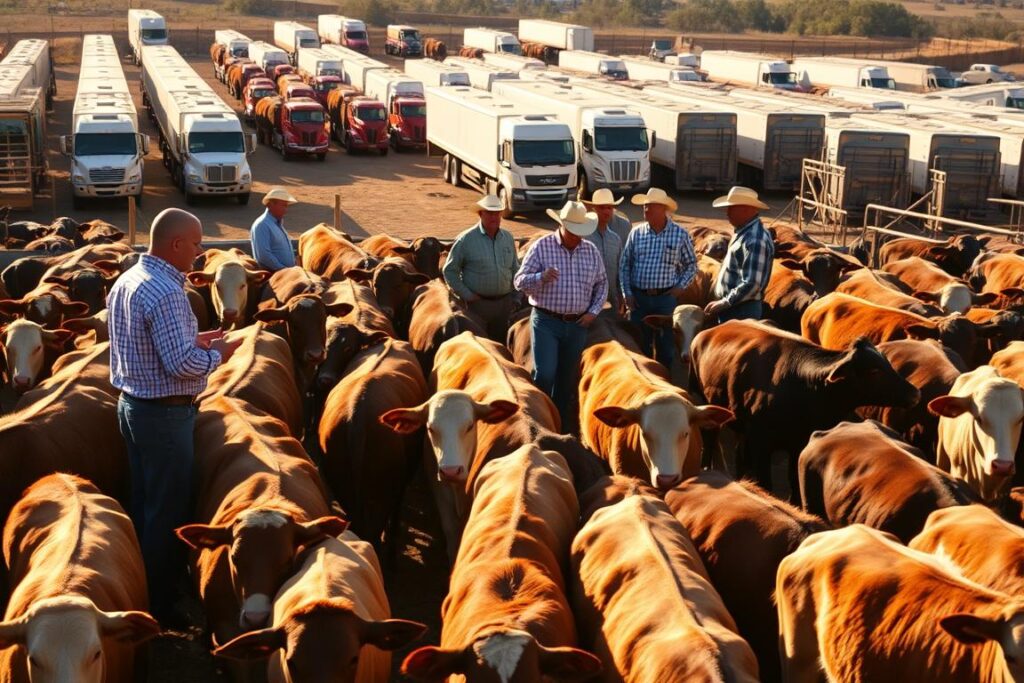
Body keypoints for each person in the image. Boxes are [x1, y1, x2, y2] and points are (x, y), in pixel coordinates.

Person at [107, 208, 242, 625]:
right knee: (168, 511)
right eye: (198, 244)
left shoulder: (129, 279)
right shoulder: (168, 293)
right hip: (165, 416)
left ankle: (141, 585)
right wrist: (216, 354)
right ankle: (160, 606)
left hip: (132, 405)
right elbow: (180, 365)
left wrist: (194, 338)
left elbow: (145, 342)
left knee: (145, 502)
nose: (201, 253)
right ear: (176, 245)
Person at [514, 201, 607, 425]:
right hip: (547, 320)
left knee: (566, 378)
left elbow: (602, 284)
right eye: (573, 232)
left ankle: (561, 421)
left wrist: (593, 312)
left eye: (580, 232)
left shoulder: (591, 251)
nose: (576, 237)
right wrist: (540, 277)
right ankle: (540, 420)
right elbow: (519, 281)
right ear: (562, 226)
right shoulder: (542, 246)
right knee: (545, 373)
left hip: (577, 324)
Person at [620, 187, 697, 366]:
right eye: (645, 206)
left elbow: (691, 264)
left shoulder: (680, 234)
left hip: (665, 298)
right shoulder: (636, 234)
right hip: (638, 299)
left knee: (666, 348)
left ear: (663, 209)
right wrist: (627, 294)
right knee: (640, 346)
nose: (645, 209)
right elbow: (625, 266)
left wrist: (680, 287)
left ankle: (666, 382)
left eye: (650, 206)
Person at [443, 194, 520, 341]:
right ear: (480, 214)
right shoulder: (466, 239)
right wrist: (467, 295)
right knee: (480, 345)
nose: (494, 217)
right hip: (478, 306)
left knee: (501, 345)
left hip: (504, 304)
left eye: (497, 213)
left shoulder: (508, 238)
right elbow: (450, 270)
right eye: (490, 213)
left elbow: (515, 267)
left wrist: (516, 296)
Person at [705, 186, 775, 322]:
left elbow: (752, 283)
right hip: (735, 307)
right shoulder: (744, 233)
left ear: (745, 209)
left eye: (731, 208)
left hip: (741, 310)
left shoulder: (755, 239)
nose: (727, 212)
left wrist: (724, 302)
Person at [582, 188, 627, 314]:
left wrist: (621, 295)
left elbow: (620, 271)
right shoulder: (584, 238)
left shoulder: (615, 239)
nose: (606, 211)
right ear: (594, 209)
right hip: (588, 301)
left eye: (609, 208)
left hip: (612, 300)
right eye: (602, 208)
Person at [251, 187, 298, 272]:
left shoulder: (276, 224)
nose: (286, 210)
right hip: (274, 276)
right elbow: (264, 256)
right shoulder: (262, 225)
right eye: (283, 206)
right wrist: (284, 271)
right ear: (271, 204)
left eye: (286, 206)